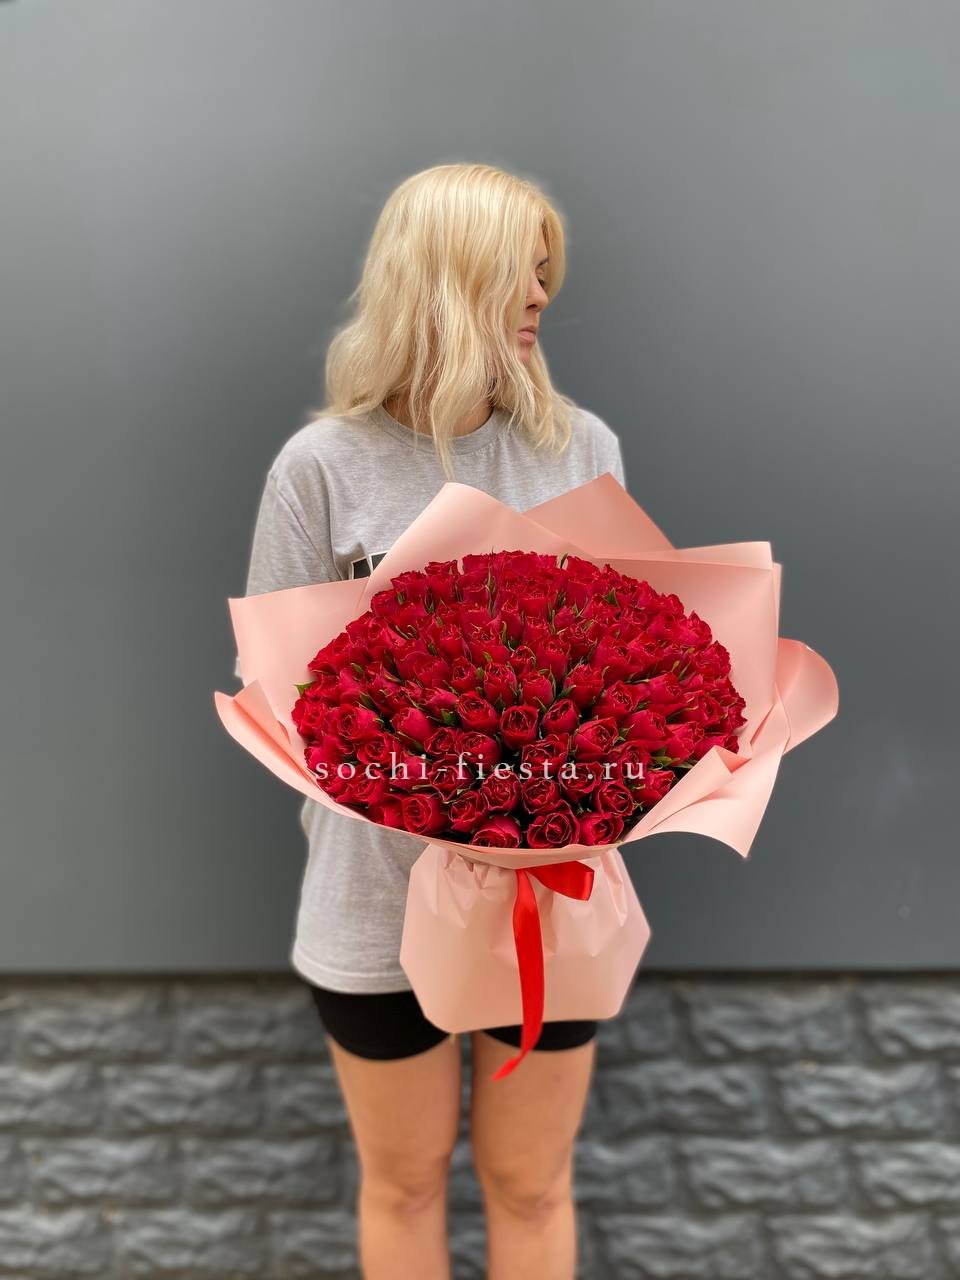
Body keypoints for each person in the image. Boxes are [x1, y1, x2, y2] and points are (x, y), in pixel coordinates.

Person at [236, 162, 628, 1280]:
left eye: (546, 272)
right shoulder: (320, 468)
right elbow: (272, 692)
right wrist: (415, 764)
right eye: (519, 271)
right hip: (373, 897)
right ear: (446, 277)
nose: (542, 294)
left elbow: (624, 660)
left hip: (550, 892)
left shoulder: (580, 448)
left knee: (533, 1183)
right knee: (405, 1184)